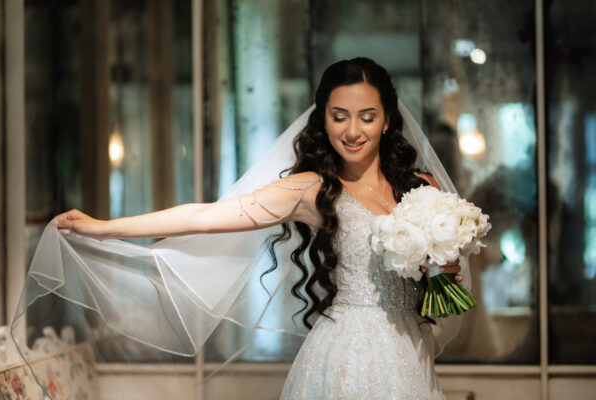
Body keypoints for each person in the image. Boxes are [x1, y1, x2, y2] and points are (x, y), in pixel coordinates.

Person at [28, 57, 466, 399]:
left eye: (366, 116)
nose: (352, 130)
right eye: (339, 116)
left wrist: (444, 271)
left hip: (410, 349)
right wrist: (105, 227)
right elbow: (204, 215)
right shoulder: (311, 189)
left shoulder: (421, 190)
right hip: (345, 353)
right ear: (323, 118)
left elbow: (442, 288)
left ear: (387, 119)